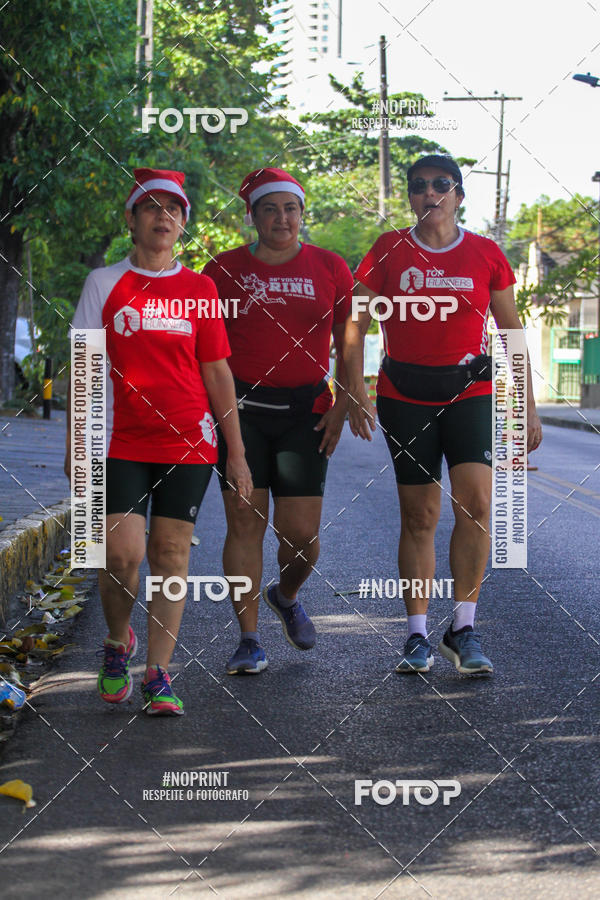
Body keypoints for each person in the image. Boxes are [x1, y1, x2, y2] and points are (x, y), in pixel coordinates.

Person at [344, 154, 542, 675]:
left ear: (457, 195)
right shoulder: (388, 251)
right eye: (418, 185)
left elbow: (511, 332)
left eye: (440, 184)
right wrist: (353, 389)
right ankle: (416, 634)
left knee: (476, 503)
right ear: (410, 196)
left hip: (470, 390)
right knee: (420, 515)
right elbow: (354, 324)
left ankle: (464, 628)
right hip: (404, 393)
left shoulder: (485, 254)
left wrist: (526, 405)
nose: (429, 192)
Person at [65, 167, 252, 715]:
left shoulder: (200, 289)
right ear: (131, 218)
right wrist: (78, 448)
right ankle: (117, 642)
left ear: (184, 222)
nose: (162, 216)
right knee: (121, 554)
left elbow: (218, 373)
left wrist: (236, 454)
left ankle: (159, 673)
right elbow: (84, 369)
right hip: (120, 440)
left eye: (173, 209)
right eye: (151, 206)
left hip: (189, 444)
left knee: (171, 556)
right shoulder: (104, 283)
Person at [203, 167, 353, 674]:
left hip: (304, 411)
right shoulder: (220, 271)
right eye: (270, 208)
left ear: (302, 214)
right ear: (253, 216)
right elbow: (203, 348)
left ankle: (285, 596)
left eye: (290, 208)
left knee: (301, 534)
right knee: (244, 523)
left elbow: (347, 337)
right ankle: (248, 639)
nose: (281, 218)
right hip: (240, 410)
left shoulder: (331, 267)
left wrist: (346, 399)